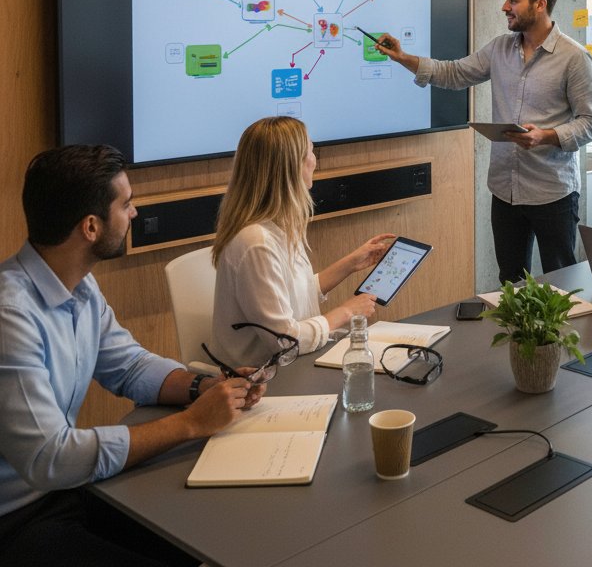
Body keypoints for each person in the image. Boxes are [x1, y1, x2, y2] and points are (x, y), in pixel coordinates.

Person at [0, 144, 263, 567]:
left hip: (67, 494)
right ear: (90, 226)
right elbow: (51, 458)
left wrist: (203, 387)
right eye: (127, 204)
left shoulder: (80, 288)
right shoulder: (10, 316)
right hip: (17, 519)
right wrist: (192, 423)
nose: (134, 214)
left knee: (207, 540)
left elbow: (130, 365)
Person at [376, 0, 592, 283]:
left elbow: (591, 123)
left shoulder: (574, 58)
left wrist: (546, 136)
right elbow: (453, 73)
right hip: (504, 190)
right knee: (509, 283)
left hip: (552, 194)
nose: (504, 7)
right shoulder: (500, 48)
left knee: (563, 283)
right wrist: (403, 58)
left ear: (540, 4)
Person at [211, 116, 394, 366]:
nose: (314, 160)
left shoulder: (274, 227)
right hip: (267, 381)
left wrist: (351, 263)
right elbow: (285, 343)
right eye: (310, 151)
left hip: (294, 368)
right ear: (290, 167)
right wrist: (347, 312)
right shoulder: (256, 244)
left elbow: (295, 295)